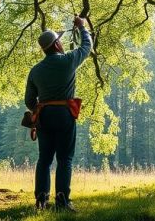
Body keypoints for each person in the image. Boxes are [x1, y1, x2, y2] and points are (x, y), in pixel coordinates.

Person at [25, 15, 92, 212]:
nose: (62, 43)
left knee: (44, 159)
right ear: (56, 45)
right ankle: (62, 201)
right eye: (59, 40)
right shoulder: (69, 60)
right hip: (64, 115)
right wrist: (82, 27)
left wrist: (39, 109)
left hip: (44, 116)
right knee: (65, 159)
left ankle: (41, 201)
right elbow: (86, 47)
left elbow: (29, 101)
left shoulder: (35, 70)